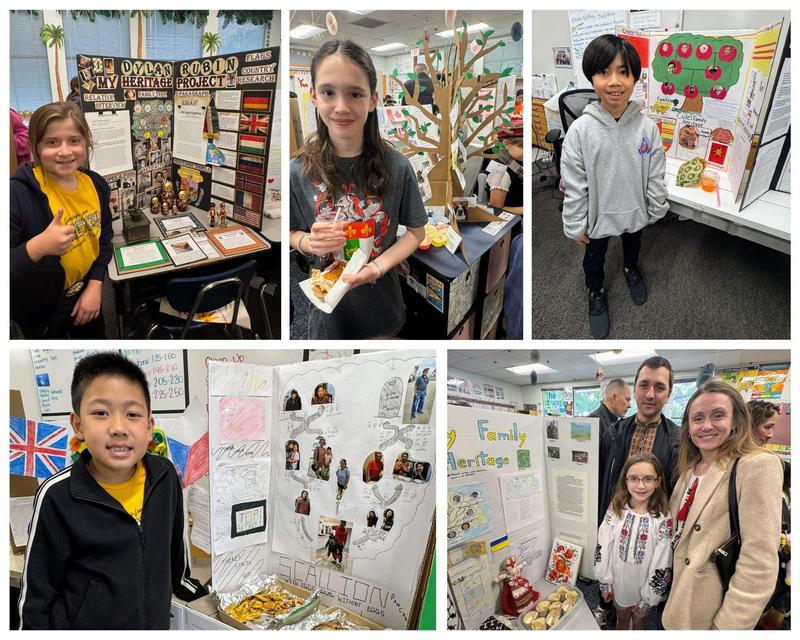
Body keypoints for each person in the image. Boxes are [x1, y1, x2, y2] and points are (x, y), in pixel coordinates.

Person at [18, 352, 205, 629]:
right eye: (101, 413)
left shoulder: (165, 476)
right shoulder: (57, 496)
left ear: (149, 425)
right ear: (78, 425)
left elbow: (176, 554)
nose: (118, 428)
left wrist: (190, 589)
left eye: (133, 414)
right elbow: (36, 599)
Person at [290, 40, 427, 339]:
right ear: (313, 96)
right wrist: (308, 243)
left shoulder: (397, 167)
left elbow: (417, 232)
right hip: (327, 313)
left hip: (382, 309)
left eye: (355, 94)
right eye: (328, 92)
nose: (341, 107)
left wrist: (378, 267)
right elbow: (291, 232)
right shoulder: (297, 171)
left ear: (373, 99)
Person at [560, 34, 669, 339]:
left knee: (632, 246)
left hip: (636, 210)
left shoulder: (647, 128)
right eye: (604, 72)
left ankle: (630, 268)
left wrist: (656, 206)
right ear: (591, 77)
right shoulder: (581, 131)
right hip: (598, 216)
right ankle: (595, 291)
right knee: (594, 259)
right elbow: (574, 184)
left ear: (635, 77)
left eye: (623, 72)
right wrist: (574, 223)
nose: (614, 82)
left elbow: (655, 173)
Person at [663, 381, 783, 630]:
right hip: (678, 597)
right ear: (688, 428)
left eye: (718, 415)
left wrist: (727, 626)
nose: (706, 426)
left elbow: (759, 563)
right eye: (697, 418)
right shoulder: (688, 470)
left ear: (737, 421)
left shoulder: (756, 465)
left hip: (711, 611)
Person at [11, 101, 113, 338]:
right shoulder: (15, 195)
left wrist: (96, 284)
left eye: (74, 141)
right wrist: (37, 247)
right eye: (52, 142)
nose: (65, 151)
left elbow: (104, 236)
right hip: (41, 307)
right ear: (35, 146)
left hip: (87, 291)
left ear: (86, 142)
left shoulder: (96, 184)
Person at [595, 452, 673, 630]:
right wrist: (605, 581)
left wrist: (650, 597)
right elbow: (603, 545)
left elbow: (663, 560)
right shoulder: (616, 509)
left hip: (643, 584)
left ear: (658, 482)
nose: (640, 485)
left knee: (639, 622)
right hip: (619, 581)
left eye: (648, 479)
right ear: (625, 480)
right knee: (621, 619)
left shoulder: (663, 518)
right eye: (634, 479)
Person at [598, 357, 678, 527]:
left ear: (669, 394)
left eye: (659, 387)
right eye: (644, 385)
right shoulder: (613, 433)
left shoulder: (677, 441)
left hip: (653, 534)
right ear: (635, 389)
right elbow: (601, 480)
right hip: (612, 524)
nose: (650, 394)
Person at [486, 116, 523, 214]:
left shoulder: (519, 159)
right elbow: (495, 209)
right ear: (506, 143)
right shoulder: (500, 172)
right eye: (522, 146)